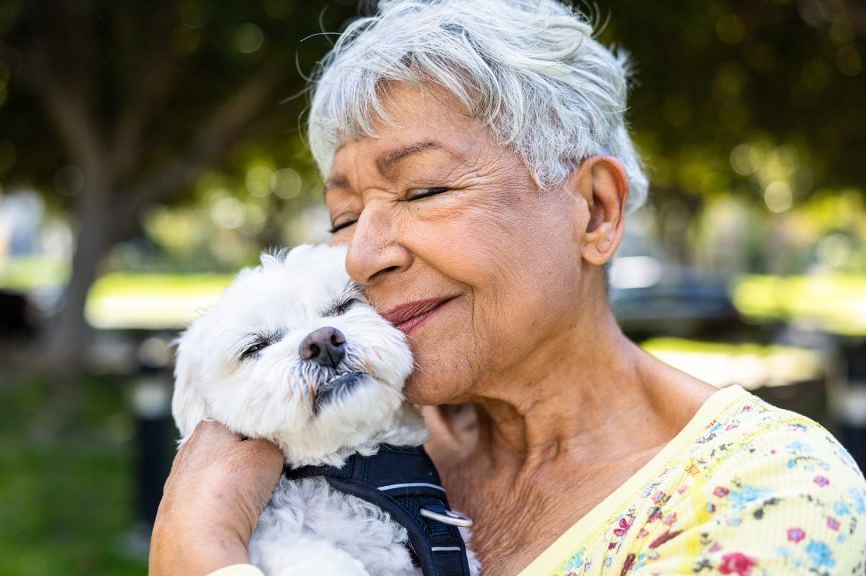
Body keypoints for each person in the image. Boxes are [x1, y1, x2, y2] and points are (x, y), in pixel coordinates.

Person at [149, 1, 866, 574]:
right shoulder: (358, 434)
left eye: (424, 189)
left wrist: (196, 549)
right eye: (343, 215)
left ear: (595, 210)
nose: (362, 254)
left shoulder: (765, 499)